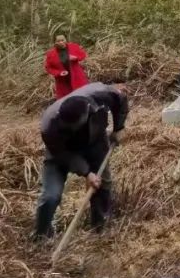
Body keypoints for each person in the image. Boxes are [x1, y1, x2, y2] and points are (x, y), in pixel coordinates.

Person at [33, 81, 128, 240]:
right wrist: (86, 172)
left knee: (102, 184)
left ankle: (100, 228)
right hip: (61, 152)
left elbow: (121, 99)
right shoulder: (49, 126)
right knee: (50, 196)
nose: (71, 130)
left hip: (95, 142)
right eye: (68, 127)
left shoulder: (101, 94)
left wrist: (119, 128)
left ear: (87, 113)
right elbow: (62, 154)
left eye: (74, 127)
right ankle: (41, 235)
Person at [43, 33, 90, 99]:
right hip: (62, 81)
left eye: (63, 40)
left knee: (84, 95)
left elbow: (83, 55)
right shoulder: (50, 54)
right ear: (55, 42)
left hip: (77, 77)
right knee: (68, 99)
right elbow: (48, 68)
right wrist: (59, 73)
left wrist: (75, 57)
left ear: (66, 40)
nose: (61, 42)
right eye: (58, 41)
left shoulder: (73, 46)